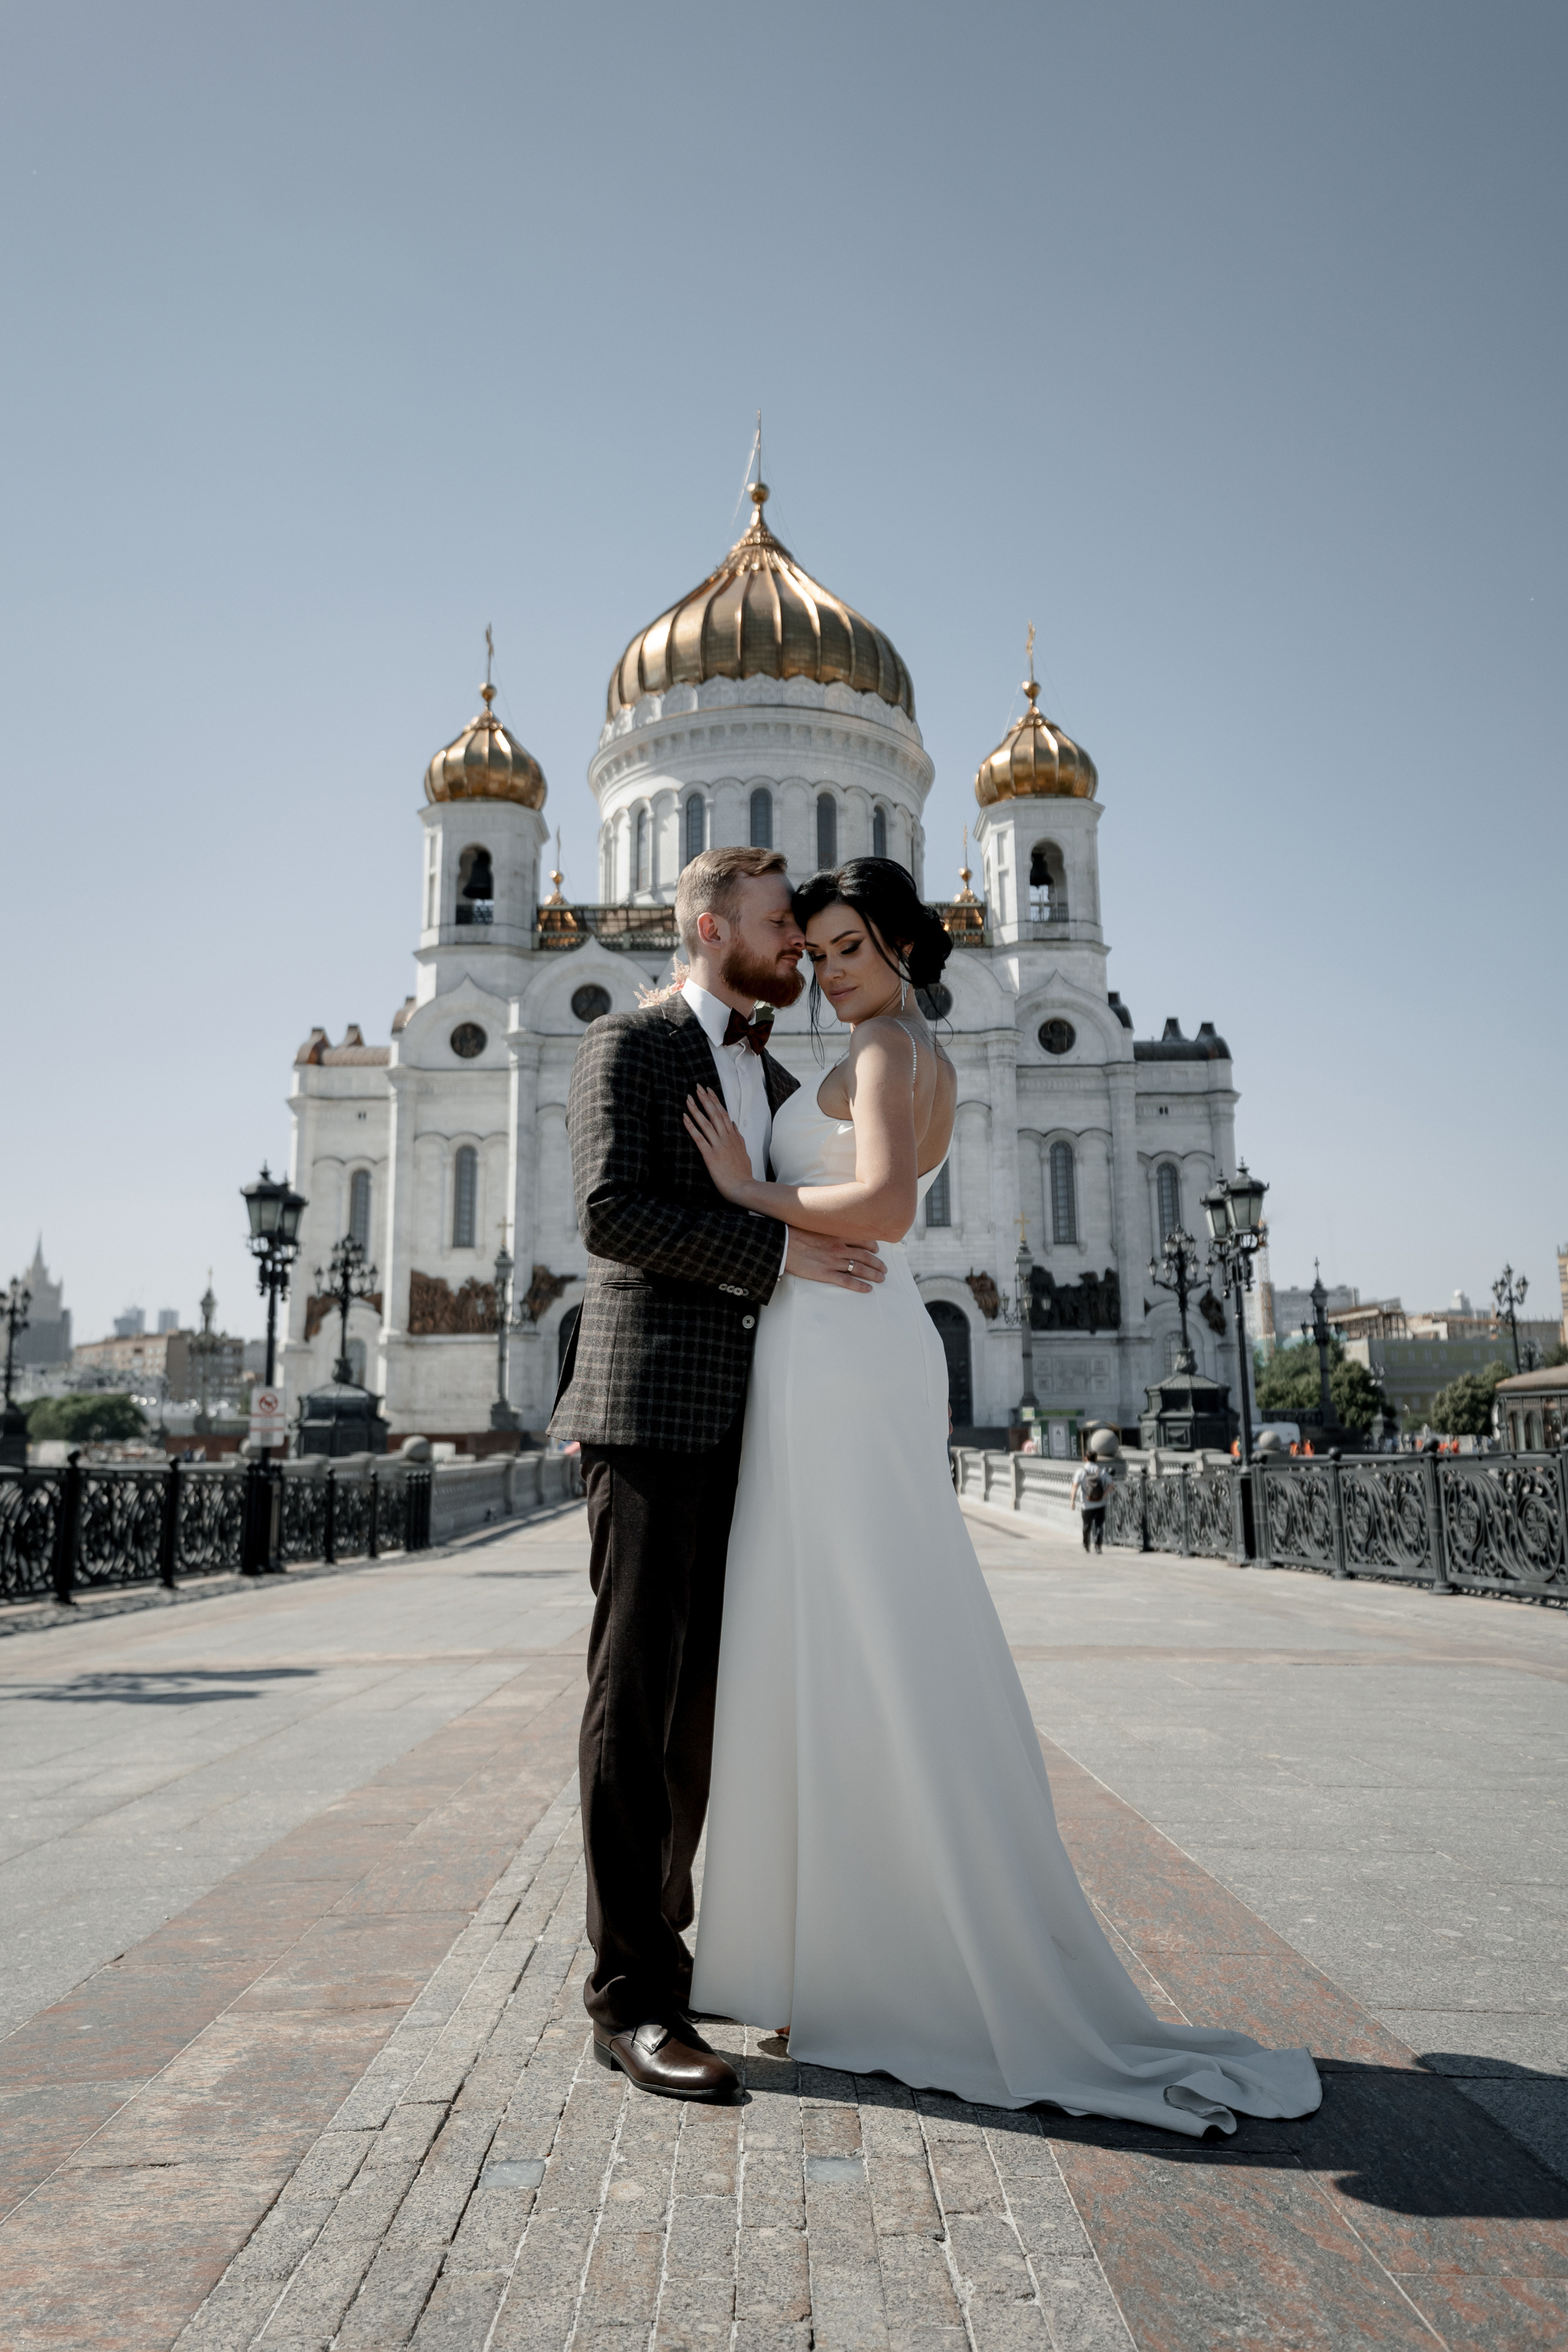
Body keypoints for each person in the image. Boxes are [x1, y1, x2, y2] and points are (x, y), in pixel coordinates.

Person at [684, 857, 1321, 2135]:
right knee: (855, 1632)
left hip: (839, 1347)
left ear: (904, 948)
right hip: (848, 1346)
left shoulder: (882, 1052)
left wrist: (745, 1191)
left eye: (851, 947)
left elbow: (879, 1206)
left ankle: (873, 1962)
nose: (828, 971)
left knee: (845, 1630)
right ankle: (852, 1954)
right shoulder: (911, 1049)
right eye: (816, 950)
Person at [549, 845, 888, 2104]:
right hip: (651, 1411)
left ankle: (683, 1954)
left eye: (802, 932)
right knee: (636, 1702)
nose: (796, 944)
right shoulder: (628, 1045)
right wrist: (778, 1253)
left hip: (759, 1423)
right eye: (777, 925)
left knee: (711, 1712)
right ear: (708, 927)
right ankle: (629, 2000)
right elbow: (611, 1215)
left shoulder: (778, 1074)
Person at [1069, 1449, 1110, 1551]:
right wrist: (1103, 1496)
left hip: (1086, 1504)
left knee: (1087, 1525)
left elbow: (1075, 1487)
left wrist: (1072, 1502)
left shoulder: (1081, 1472)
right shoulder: (1102, 1471)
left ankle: (1086, 1544)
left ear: (1085, 1458)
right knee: (1099, 1526)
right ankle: (1098, 1546)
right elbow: (1111, 1485)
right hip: (1100, 1504)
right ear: (1096, 1459)